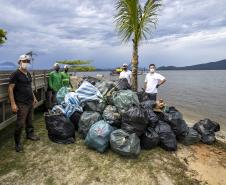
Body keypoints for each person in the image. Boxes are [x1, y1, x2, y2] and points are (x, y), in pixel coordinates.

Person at [8, 54, 40, 152]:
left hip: (30, 101)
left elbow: (29, 88)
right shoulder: (15, 74)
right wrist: (13, 104)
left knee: (30, 120)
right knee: (20, 123)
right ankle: (17, 143)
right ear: (19, 62)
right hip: (21, 103)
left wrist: (34, 98)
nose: (25, 63)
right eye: (24, 61)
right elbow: (10, 89)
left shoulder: (28, 74)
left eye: (27, 61)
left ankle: (30, 134)